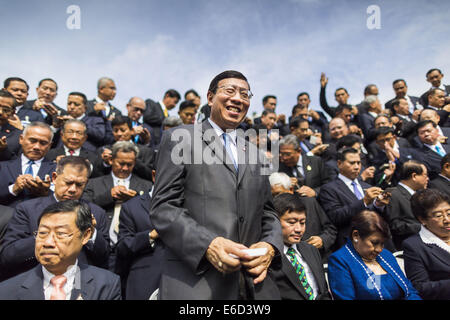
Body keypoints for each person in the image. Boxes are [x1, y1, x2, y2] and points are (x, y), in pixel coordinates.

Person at [150, 70, 283, 300]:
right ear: (210, 97)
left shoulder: (257, 153)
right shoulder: (180, 138)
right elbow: (163, 207)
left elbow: (269, 213)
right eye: (229, 91)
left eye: (245, 94)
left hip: (254, 286)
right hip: (197, 283)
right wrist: (207, 245)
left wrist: (270, 246)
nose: (238, 98)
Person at [0, 156, 110, 280]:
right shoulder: (27, 209)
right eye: (68, 183)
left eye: (79, 185)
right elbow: (8, 255)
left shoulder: (96, 213)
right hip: (36, 281)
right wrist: (43, 235)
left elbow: (105, 257)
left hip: (79, 283)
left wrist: (92, 233)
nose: (73, 189)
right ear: (54, 178)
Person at [0, 200, 121, 300]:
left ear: (85, 236)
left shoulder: (106, 284)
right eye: (42, 233)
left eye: (61, 233)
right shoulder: (6, 290)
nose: (48, 243)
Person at [82, 141, 152, 270]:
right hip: (101, 248)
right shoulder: (93, 183)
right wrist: (109, 196)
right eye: (121, 163)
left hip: (133, 250)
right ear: (111, 160)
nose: (125, 168)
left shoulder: (146, 186)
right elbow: (84, 207)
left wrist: (135, 200)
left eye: (129, 164)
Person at [327, 210, 421, 300]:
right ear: (356, 235)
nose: (379, 249)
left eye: (382, 243)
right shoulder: (340, 261)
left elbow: (410, 292)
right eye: (374, 243)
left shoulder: (386, 255)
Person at [318, 148, 391, 250]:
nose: (357, 167)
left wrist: (378, 204)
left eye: (358, 163)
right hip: (352, 243)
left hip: (379, 241)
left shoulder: (366, 185)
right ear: (339, 164)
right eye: (352, 163)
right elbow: (335, 217)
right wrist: (364, 202)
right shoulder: (329, 189)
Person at [269, 193, 331, 300]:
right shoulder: (269, 255)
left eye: (302, 223)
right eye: (292, 222)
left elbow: (324, 291)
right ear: (275, 221)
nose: (298, 229)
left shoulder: (311, 249)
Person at [115, 173, 164, 300]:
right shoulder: (131, 207)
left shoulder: (188, 204)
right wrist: (150, 236)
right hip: (144, 281)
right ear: (154, 175)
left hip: (182, 280)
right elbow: (123, 246)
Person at [268, 172, 337, 262]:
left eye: (279, 194)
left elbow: (331, 229)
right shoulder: (269, 212)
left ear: (291, 190)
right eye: (272, 195)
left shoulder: (310, 203)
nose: (276, 199)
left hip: (318, 260)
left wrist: (322, 240)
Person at [403, 189, 450, 300]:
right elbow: (419, 287)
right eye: (438, 216)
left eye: (449, 213)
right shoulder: (414, 246)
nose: (447, 220)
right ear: (422, 219)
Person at [0, 122, 55, 207]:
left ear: (50, 145)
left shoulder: (57, 170)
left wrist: (45, 193)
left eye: (43, 143)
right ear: (21, 139)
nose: (37, 147)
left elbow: (63, 201)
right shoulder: (2, 167)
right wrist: (13, 189)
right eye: (32, 141)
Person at [386, 160, 428, 250]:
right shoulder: (393, 194)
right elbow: (394, 225)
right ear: (414, 176)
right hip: (406, 246)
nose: (427, 178)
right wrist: (423, 227)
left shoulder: (419, 194)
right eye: (425, 175)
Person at [0, 89, 22, 161]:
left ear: (13, 112)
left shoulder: (18, 136)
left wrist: (4, 150)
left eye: (6, 110)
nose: (0, 112)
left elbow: (18, 164)